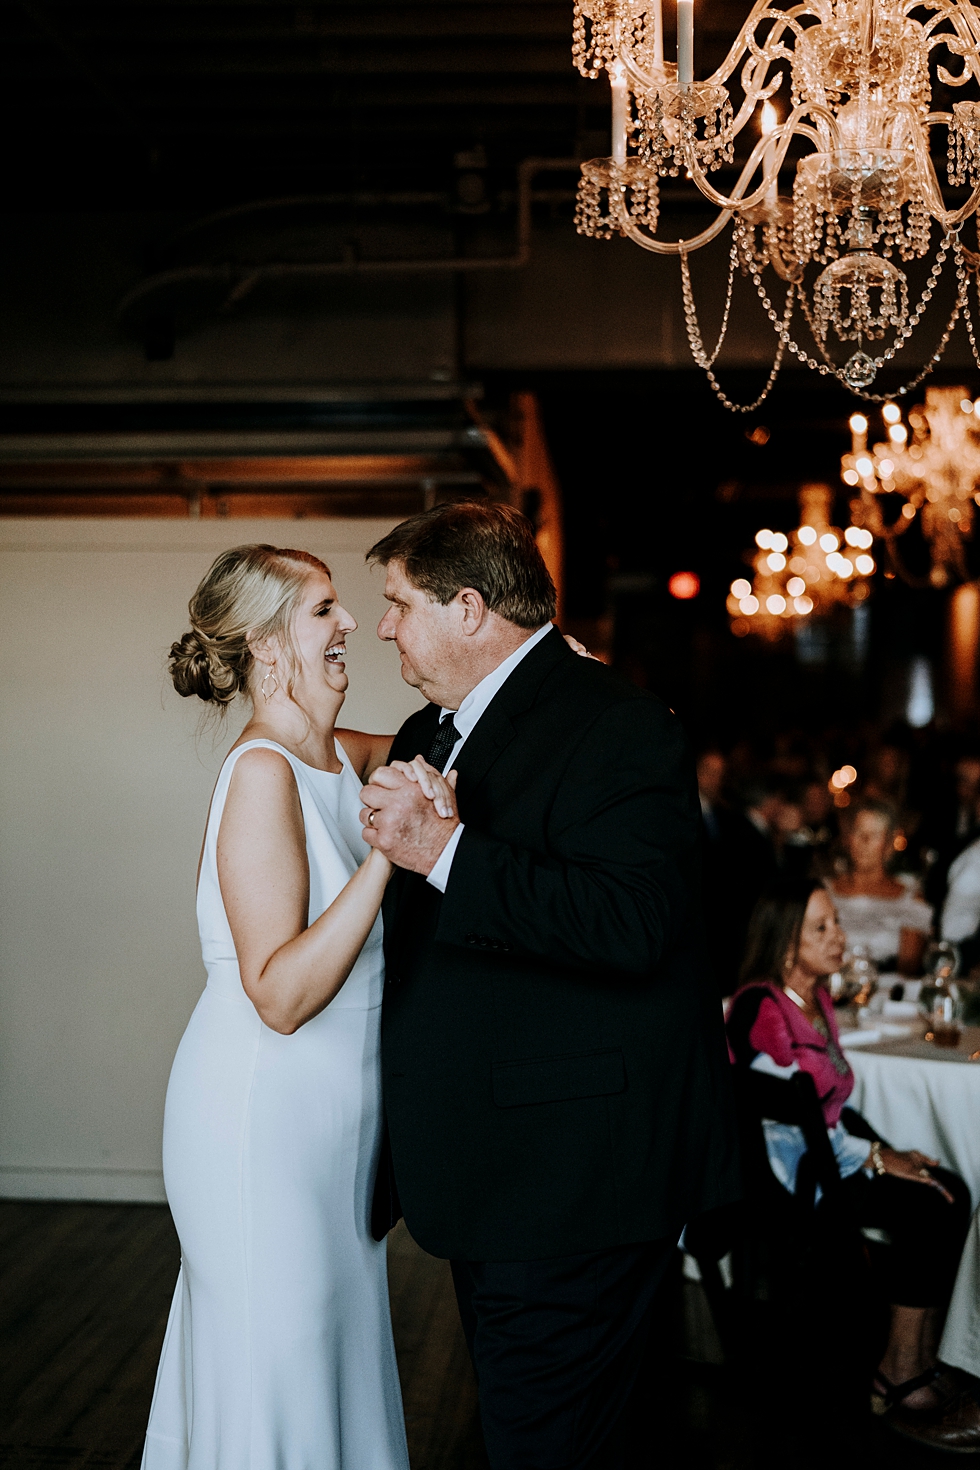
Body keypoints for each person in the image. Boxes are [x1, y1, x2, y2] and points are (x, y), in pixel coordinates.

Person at [357, 501, 739, 1470]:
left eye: (399, 604)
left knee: (543, 1449)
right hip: (491, 1172)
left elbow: (631, 925)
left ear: (470, 608)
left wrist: (444, 849)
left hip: (574, 1180)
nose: (384, 625)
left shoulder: (614, 725)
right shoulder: (424, 729)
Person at [143, 543, 433, 1470]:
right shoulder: (261, 774)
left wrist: (549, 682)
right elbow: (277, 994)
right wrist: (393, 853)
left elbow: (442, 745)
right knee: (281, 1355)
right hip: (260, 1119)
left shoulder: (332, 756)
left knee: (330, 1351)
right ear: (269, 648)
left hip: (335, 1132)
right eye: (324, 611)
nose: (349, 624)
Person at [726, 878, 971, 1425]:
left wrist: (884, 1149)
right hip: (790, 1175)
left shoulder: (814, 1001)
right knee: (929, 1203)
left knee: (951, 1188)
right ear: (785, 945)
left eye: (835, 921)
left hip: (827, 1152)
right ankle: (896, 1373)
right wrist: (878, 1158)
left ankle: (922, 1356)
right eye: (822, 927)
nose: (840, 935)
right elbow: (790, 1119)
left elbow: (829, 1110)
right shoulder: (758, 1010)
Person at [829, 798, 932, 973]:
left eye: (875, 835)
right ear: (848, 838)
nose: (865, 841)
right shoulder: (825, 891)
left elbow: (908, 968)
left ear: (889, 843)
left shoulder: (910, 898)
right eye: (859, 832)